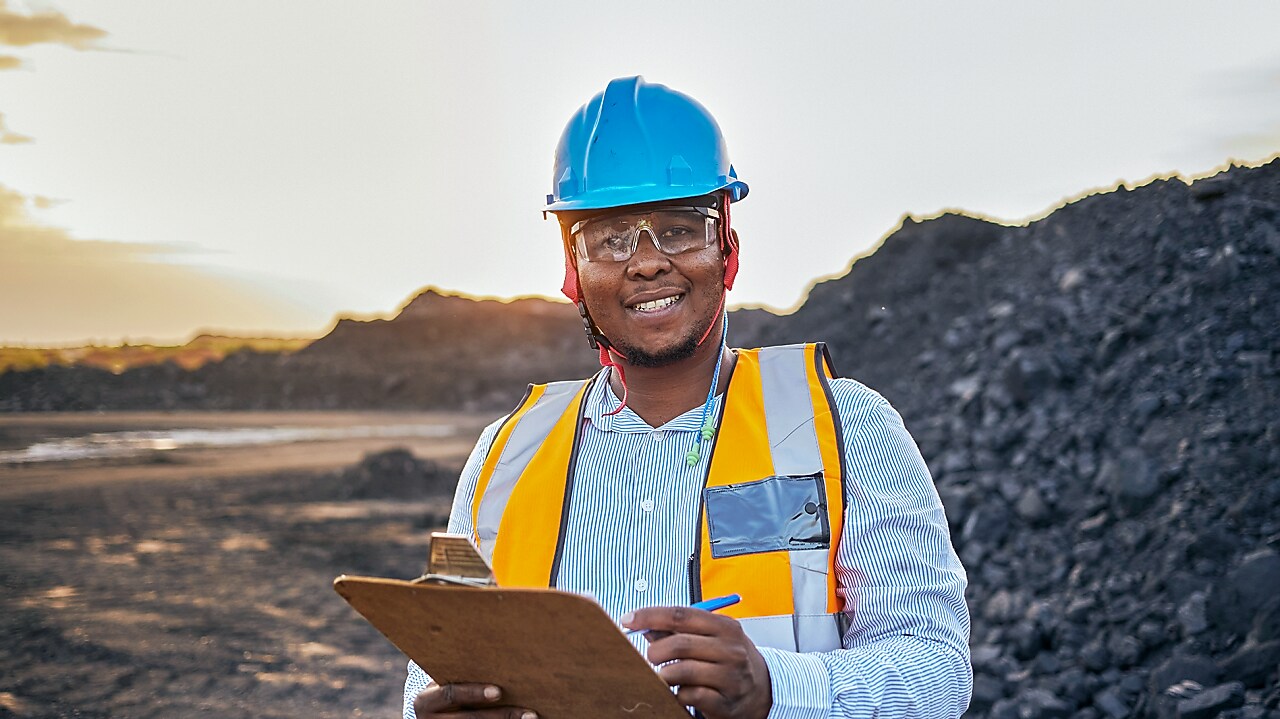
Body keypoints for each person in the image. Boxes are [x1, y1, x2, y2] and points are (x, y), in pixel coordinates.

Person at [405, 76, 971, 719]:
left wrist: (772, 688)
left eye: (678, 229)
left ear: (726, 244)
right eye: (610, 237)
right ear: (573, 268)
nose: (645, 263)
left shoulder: (845, 428)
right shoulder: (504, 457)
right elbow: (433, 668)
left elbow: (935, 672)